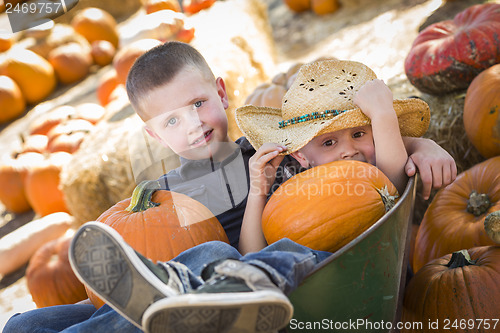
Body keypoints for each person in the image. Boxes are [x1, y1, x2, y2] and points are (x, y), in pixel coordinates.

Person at [3, 44, 456, 333]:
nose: (195, 124)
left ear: (221, 93)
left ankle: (204, 288)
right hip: (181, 302)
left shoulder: (266, 156)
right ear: (154, 136)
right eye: (172, 120)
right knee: (27, 325)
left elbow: (352, 161)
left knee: (212, 256)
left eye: (198, 103)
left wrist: (422, 141)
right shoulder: (163, 195)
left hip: (280, 283)